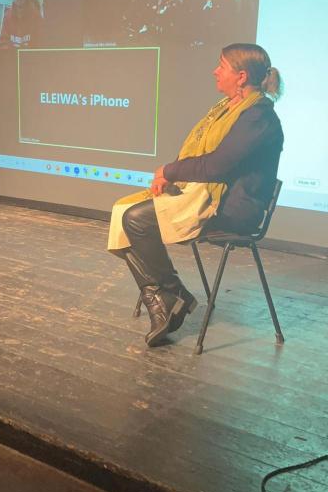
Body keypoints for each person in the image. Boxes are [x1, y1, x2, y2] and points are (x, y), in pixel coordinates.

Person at [108, 43, 283, 347]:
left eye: (221, 66)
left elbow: (216, 165)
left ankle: (169, 296)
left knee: (137, 219)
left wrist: (170, 171)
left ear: (241, 76)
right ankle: (169, 296)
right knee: (123, 212)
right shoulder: (225, 109)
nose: (215, 71)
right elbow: (201, 157)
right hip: (207, 195)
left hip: (232, 209)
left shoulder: (259, 117)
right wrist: (171, 176)